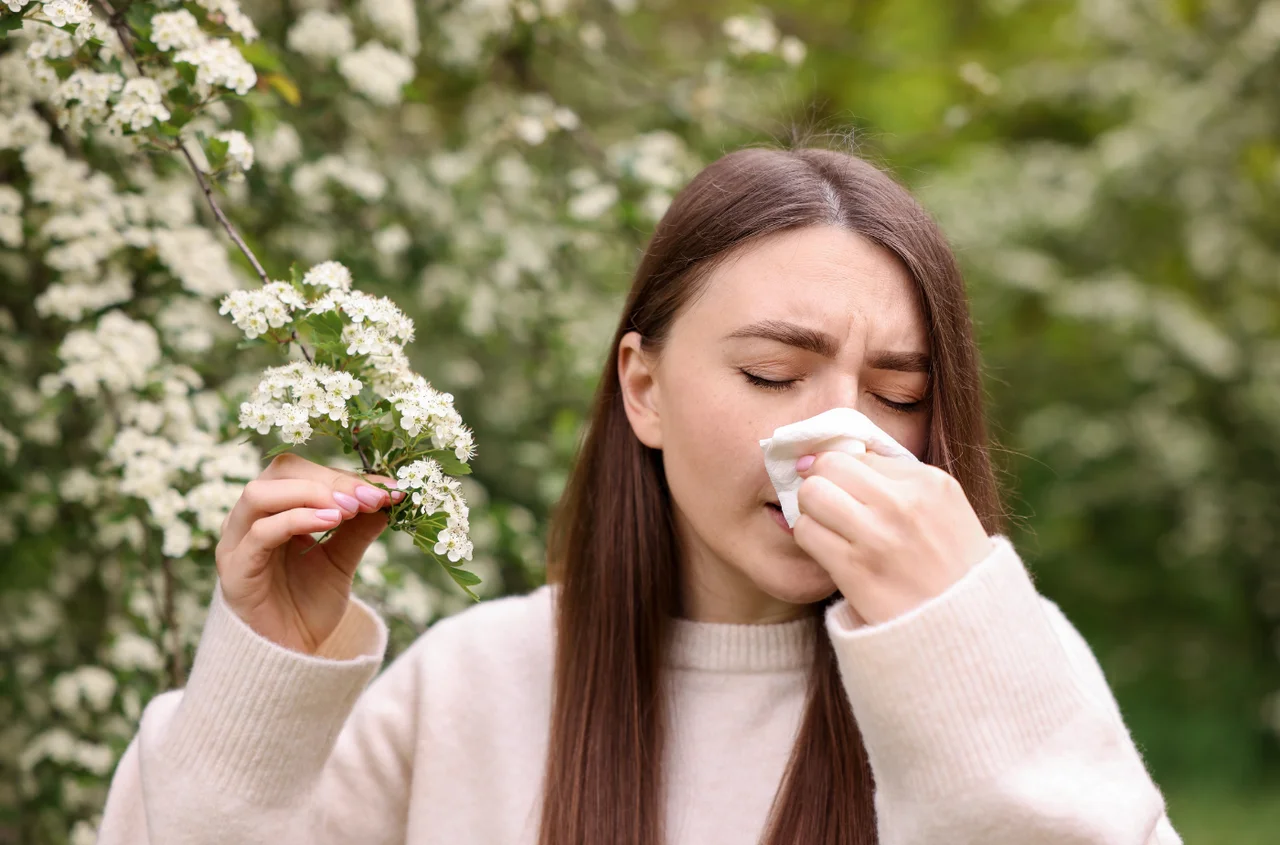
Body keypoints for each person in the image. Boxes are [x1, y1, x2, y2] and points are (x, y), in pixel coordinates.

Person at [96, 146, 1183, 845]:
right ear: (643, 386)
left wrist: (955, 644)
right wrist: (261, 683)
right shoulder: (472, 687)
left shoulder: (1007, 660)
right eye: (770, 374)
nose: (838, 434)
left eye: (896, 393)